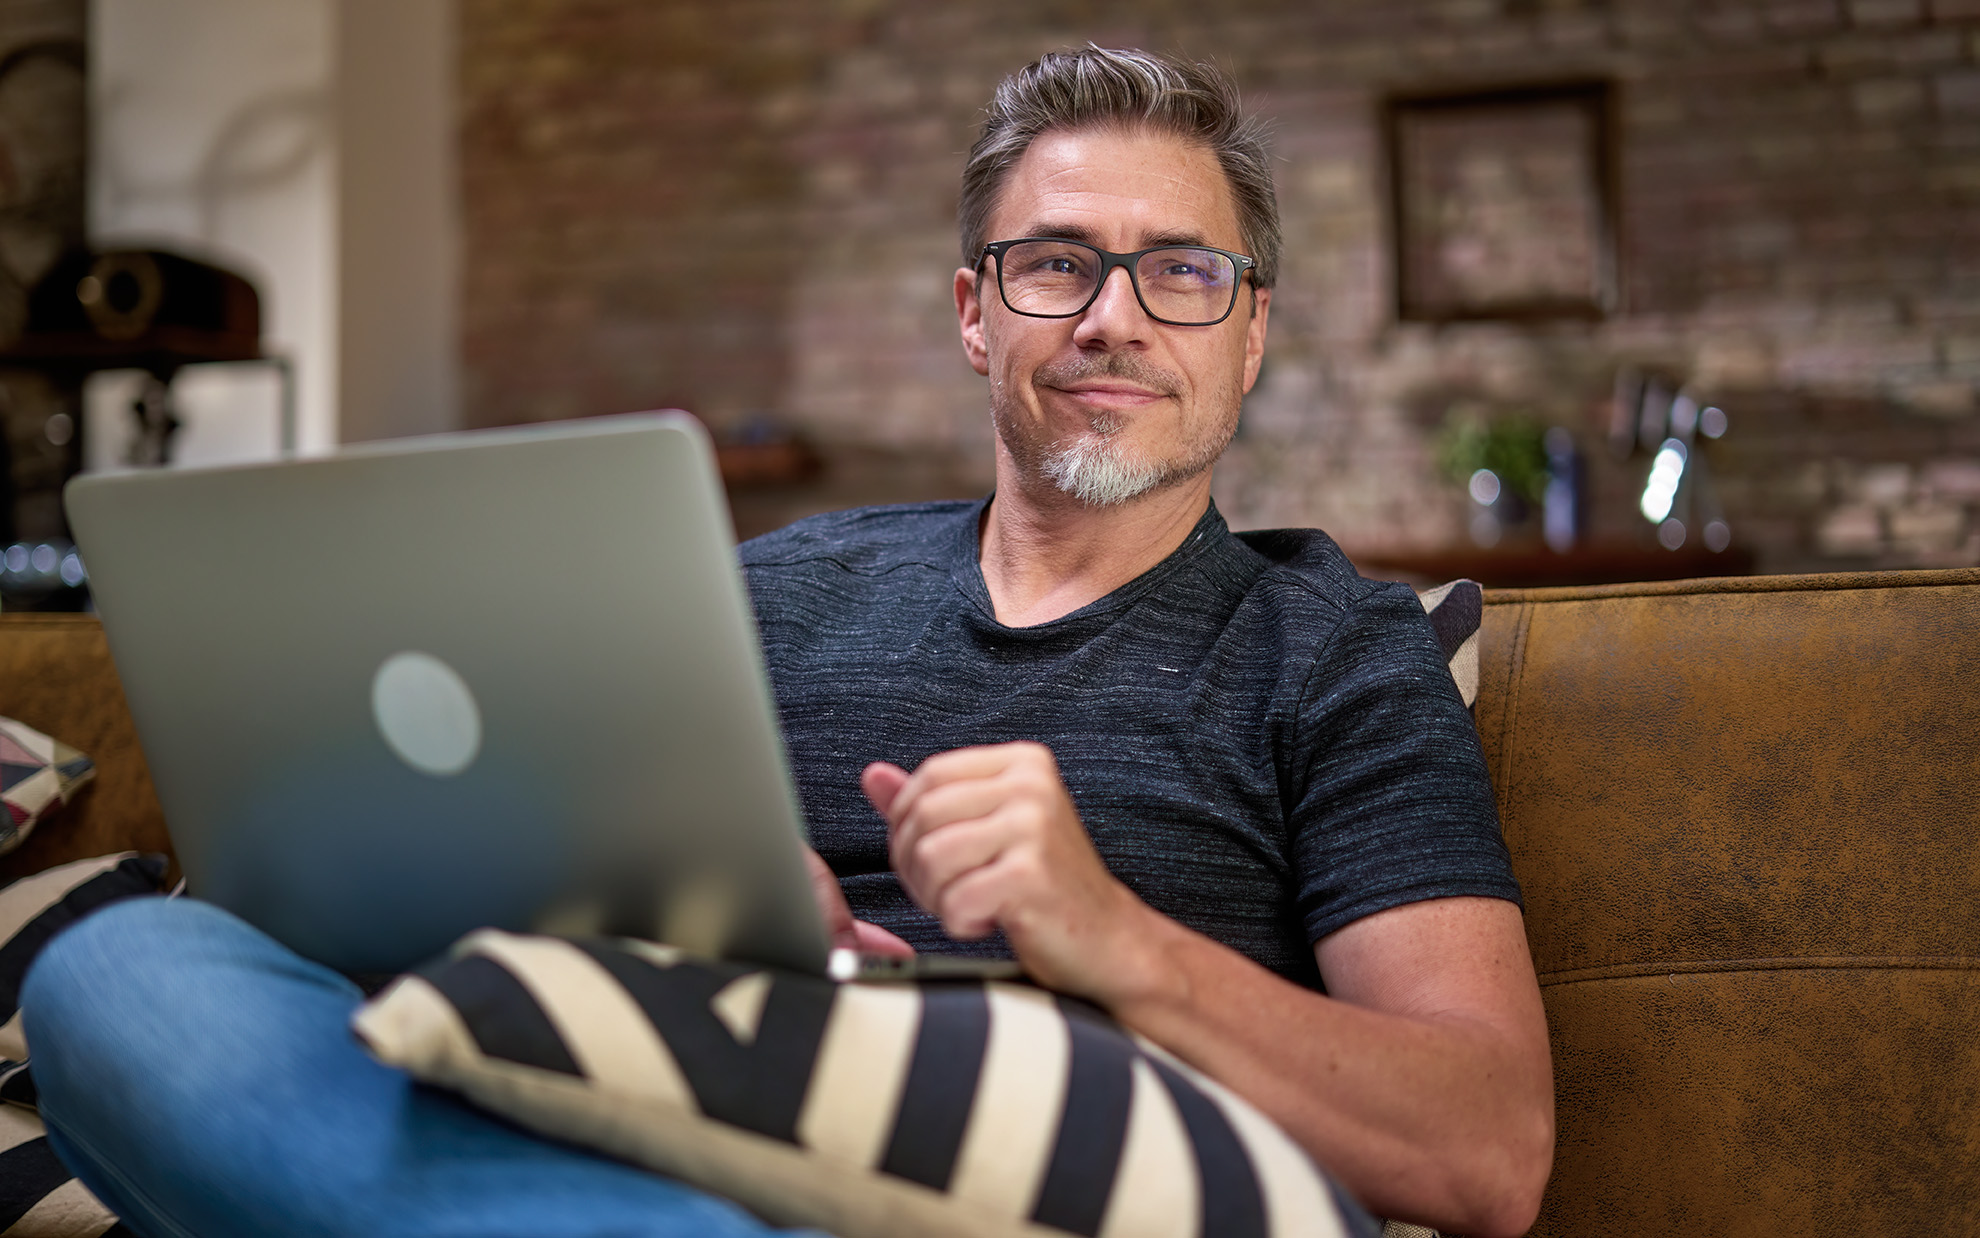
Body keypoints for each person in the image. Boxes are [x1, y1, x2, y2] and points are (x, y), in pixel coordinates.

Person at [21, 46, 1552, 1238]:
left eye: (1183, 271)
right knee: (124, 975)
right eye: (1056, 262)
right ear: (974, 312)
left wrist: (1115, 941)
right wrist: (673, 903)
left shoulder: (1334, 653)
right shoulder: (765, 589)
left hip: (1010, 1173)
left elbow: (1486, 1150)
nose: (1114, 318)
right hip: (667, 1125)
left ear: (1252, 331)